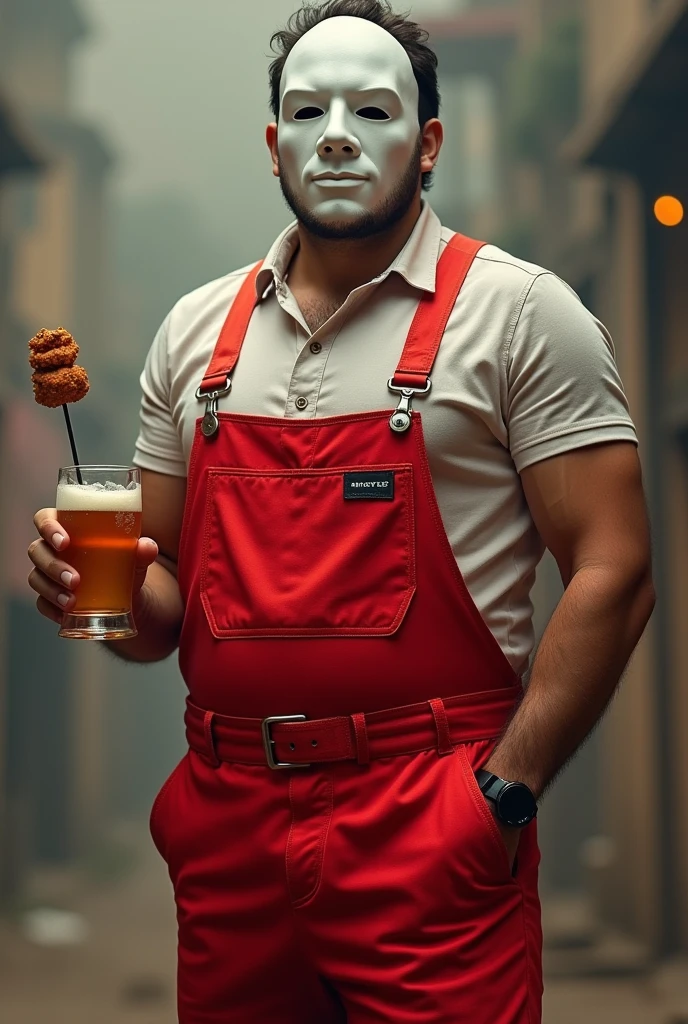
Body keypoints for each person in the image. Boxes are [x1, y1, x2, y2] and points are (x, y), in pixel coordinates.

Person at [28, 1, 655, 1021]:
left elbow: (615, 571)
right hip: (228, 829)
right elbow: (158, 612)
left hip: (430, 818)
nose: (335, 134)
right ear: (272, 144)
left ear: (429, 142)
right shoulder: (194, 335)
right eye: (306, 110)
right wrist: (80, 585)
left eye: (372, 109)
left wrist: (500, 794)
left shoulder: (523, 314)